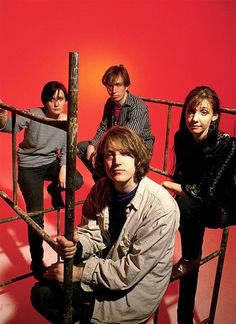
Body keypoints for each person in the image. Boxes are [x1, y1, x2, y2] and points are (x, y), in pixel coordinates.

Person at [31, 125, 180, 324]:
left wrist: (79, 273)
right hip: (106, 264)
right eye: (110, 155)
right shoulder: (101, 188)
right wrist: (76, 246)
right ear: (102, 160)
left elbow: (129, 273)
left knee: (61, 297)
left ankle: (85, 316)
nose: (117, 161)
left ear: (137, 158)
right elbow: (92, 234)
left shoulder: (162, 208)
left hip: (134, 291)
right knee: (42, 292)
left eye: (125, 154)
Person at [162, 86, 236, 324]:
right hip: (193, 204)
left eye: (203, 112)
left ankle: (190, 258)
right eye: (190, 111)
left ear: (215, 115)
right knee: (176, 209)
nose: (194, 118)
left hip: (222, 207)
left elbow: (207, 192)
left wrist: (168, 186)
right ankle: (184, 319)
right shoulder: (182, 137)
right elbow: (183, 176)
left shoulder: (227, 144)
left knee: (185, 211)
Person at [0, 81, 84, 280]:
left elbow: (66, 147)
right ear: (45, 101)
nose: (56, 104)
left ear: (66, 101)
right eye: (51, 99)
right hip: (29, 167)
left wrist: (63, 168)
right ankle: (36, 259)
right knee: (35, 216)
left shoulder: (68, 119)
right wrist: (3, 115)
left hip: (50, 163)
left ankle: (54, 190)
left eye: (60, 99)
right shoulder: (33, 114)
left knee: (76, 180)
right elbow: (9, 126)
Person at [77, 64, 155, 179]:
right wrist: (93, 145)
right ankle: (105, 181)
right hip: (115, 143)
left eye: (118, 85)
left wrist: (101, 151)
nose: (113, 90)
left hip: (136, 148)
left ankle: (107, 182)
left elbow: (128, 137)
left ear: (127, 86)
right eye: (110, 86)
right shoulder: (110, 103)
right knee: (83, 148)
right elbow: (103, 127)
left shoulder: (137, 107)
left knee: (102, 157)